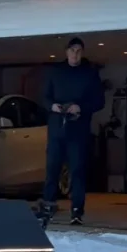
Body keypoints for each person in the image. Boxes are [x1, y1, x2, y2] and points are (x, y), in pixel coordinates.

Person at [40, 36, 105, 225]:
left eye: (78, 51)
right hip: (56, 129)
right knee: (52, 169)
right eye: (72, 50)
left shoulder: (90, 74)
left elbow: (99, 101)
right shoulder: (55, 72)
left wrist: (81, 107)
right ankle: (48, 207)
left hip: (78, 130)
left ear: (82, 53)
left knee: (77, 170)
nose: (75, 54)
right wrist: (52, 106)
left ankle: (77, 210)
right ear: (66, 52)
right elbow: (44, 97)